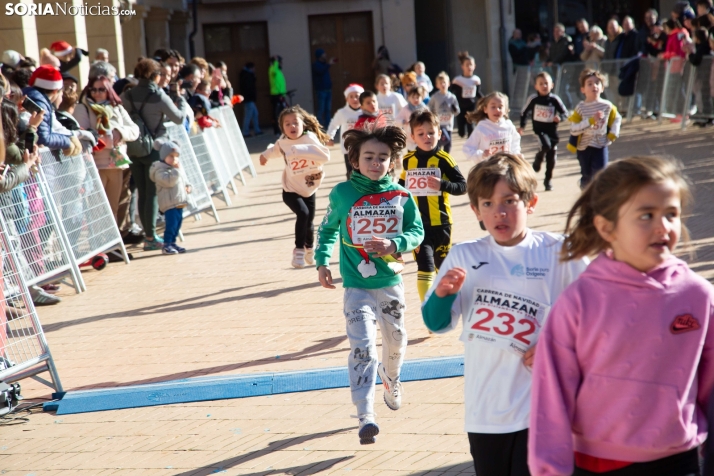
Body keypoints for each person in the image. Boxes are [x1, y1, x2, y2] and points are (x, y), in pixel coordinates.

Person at [529, 156, 711, 476]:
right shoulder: (579, 301)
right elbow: (551, 398)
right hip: (597, 464)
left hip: (680, 460)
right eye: (646, 215)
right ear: (606, 226)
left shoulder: (699, 295)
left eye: (671, 214)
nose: (663, 227)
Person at [422, 153, 588, 476]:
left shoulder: (559, 250)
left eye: (509, 201)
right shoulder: (465, 255)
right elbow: (436, 323)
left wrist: (559, 346)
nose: (499, 212)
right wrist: (442, 295)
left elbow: (600, 314)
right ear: (475, 210)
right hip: (485, 411)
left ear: (531, 202)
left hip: (545, 408)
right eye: (487, 204)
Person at [315, 126, 424, 445]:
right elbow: (327, 230)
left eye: (383, 157)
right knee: (362, 347)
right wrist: (322, 261)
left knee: (396, 340)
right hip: (355, 286)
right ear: (355, 160)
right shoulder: (342, 193)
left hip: (390, 282)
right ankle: (366, 414)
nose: (376, 163)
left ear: (392, 161)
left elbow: (416, 232)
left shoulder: (402, 196)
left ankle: (391, 379)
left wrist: (395, 243)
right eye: (369, 157)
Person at [398, 110, 465, 303]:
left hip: (442, 224)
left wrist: (442, 184)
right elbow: (402, 186)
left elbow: (463, 186)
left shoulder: (445, 160)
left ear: (439, 134)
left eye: (431, 132)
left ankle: (447, 303)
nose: (427, 137)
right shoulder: (408, 160)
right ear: (413, 137)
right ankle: (427, 311)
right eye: (421, 133)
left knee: (441, 268)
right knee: (424, 267)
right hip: (417, 226)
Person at [121, 58, 186, 250]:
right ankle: (150, 237)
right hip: (154, 148)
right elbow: (179, 118)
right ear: (155, 76)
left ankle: (147, 233)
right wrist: (180, 98)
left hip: (133, 148)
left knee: (141, 192)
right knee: (152, 194)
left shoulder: (128, 95)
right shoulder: (159, 96)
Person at [259, 105, 330, 268]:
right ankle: (298, 250)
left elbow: (325, 156)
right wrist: (264, 155)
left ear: (303, 124)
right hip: (290, 189)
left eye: (295, 122)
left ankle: (309, 248)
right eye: (287, 123)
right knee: (303, 214)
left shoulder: (309, 138)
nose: (292, 126)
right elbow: (274, 150)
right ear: (282, 127)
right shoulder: (283, 142)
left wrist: (298, 150)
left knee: (310, 223)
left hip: (309, 187)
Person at [74, 75, 140, 226]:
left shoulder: (117, 107)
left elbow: (134, 130)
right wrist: (108, 139)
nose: (97, 93)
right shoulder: (83, 107)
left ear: (108, 90)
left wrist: (119, 132)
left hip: (116, 164)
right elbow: (84, 133)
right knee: (97, 211)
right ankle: (101, 247)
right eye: (94, 89)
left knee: (113, 209)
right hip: (95, 166)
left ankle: (114, 248)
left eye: (101, 89)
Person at [567, 69, 622, 187]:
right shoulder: (580, 108)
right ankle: (585, 193)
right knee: (586, 175)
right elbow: (574, 129)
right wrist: (591, 121)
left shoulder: (607, 106)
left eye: (597, 83)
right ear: (583, 90)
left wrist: (612, 134)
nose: (594, 86)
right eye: (590, 84)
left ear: (602, 88)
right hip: (584, 147)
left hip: (600, 145)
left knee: (601, 173)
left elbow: (617, 119)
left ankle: (598, 198)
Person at [518, 72, 567, 192]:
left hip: (552, 133)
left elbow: (565, 112)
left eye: (546, 83)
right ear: (536, 86)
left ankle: (548, 180)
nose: (544, 86)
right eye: (541, 84)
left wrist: (560, 118)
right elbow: (524, 112)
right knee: (545, 145)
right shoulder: (533, 99)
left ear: (552, 85)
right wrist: (522, 126)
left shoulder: (555, 99)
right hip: (539, 131)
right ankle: (538, 159)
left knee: (551, 157)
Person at [22, 65, 81, 155]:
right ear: (55, 91)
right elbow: (43, 137)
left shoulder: (31, 95)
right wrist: (67, 142)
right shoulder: (41, 103)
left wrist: (70, 135)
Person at [149, 141, 191, 255]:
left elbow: (183, 178)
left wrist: (188, 185)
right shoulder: (159, 170)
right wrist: (176, 170)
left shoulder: (176, 168)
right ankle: (166, 244)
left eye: (176, 157)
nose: (174, 159)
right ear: (164, 157)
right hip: (169, 203)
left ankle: (172, 242)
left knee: (178, 224)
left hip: (178, 201)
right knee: (171, 224)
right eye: (171, 156)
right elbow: (169, 182)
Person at [463, 92, 521, 163]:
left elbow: (515, 141)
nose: (497, 110)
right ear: (485, 109)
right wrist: (482, 155)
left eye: (500, 107)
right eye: (493, 107)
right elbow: (467, 148)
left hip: (506, 164)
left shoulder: (509, 125)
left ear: (505, 110)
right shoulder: (481, 128)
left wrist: (516, 153)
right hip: (487, 166)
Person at [326, 83, 364, 179]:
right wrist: (329, 137)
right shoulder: (342, 112)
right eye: (351, 96)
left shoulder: (366, 111)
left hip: (364, 147)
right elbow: (334, 124)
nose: (355, 99)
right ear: (346, 99)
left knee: (363, 171)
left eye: (357, 96)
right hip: (348, 148)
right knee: (351, 173)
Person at [450, 51, 483, 139]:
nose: (469, 67)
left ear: (474, 66)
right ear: (462, 67)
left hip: (471, 106)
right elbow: (450, 93)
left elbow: (478, 93)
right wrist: (451, 104)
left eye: (471, 64)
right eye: (467, 65)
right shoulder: (457, 80)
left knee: (471, 126)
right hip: (460, 107)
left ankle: (470, 143)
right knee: (461, 132)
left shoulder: (476, 80)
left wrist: (485, 100)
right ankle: (462, 132)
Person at [428, 72, 460, 153]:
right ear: (437, 85)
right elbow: (428, 107)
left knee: (448, 143)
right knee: (438, 143)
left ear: (448, 84)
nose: (443, 84)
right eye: (440, 83)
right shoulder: (435, 97)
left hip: (448, 125)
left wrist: (455, 110)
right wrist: (431, 115)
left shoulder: (452, 97)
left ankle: (445, 159)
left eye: (444, 82)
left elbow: (457, 111)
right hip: (438, 124)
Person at [395, 86, 427, 152]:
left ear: (422, 97)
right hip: (410, 139)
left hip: (422, 137)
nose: (415, 99)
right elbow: (397, 120)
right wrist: (403, 121)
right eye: (413, 97)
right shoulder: (406, 109)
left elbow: (430, 119)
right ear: (409, 97)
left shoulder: (424, 108)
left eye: (417, 97)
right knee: (411, 156)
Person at [312, 48, 335, 128]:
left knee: (328, 109)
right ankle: (319, 126)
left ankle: (328, 125)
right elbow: (320, 71)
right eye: (323, 54)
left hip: (328, 90)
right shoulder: (316, 65)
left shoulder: (325, 64)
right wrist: (329, 64)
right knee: (321, 109)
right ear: (320, 56)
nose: (325, 55)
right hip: (321, 90)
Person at [238, 62, 262, 137]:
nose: (254, 70)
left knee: (255, 114)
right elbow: (249, 88)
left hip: (249, 99)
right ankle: (245, 132)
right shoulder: (247, 76)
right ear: (250, 68)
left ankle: (257, 130)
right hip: (248, 99)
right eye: (253, 68)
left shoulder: (246, 75)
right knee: (248, 116)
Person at [269, 55, 287, 135]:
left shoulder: (279, 71)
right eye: (280, 62)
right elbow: (274, 71)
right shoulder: (272, 69)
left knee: (283, 113)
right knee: (276, 114)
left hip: (281, 94)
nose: (281, 64)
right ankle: (276, 130)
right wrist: (276, 61)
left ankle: (282, 129)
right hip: (276, 95)